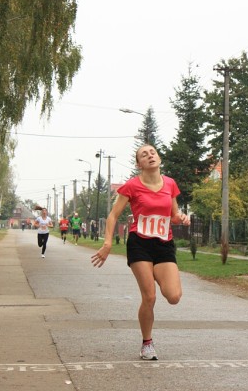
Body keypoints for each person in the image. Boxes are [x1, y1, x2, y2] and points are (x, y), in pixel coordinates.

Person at [91, 144, 190, 361]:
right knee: (150, 296)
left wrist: (182, 217)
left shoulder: (170, 184)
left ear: (159, 158)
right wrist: (107, 244)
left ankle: (157, 272)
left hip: (164, 244)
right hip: (140, 244)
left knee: (173, 296)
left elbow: (173, 216)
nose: (149, 156)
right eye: (144, 155)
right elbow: (112, 216)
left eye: (152, 152)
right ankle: (147, 344)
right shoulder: (132, 186)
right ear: (139, 164)